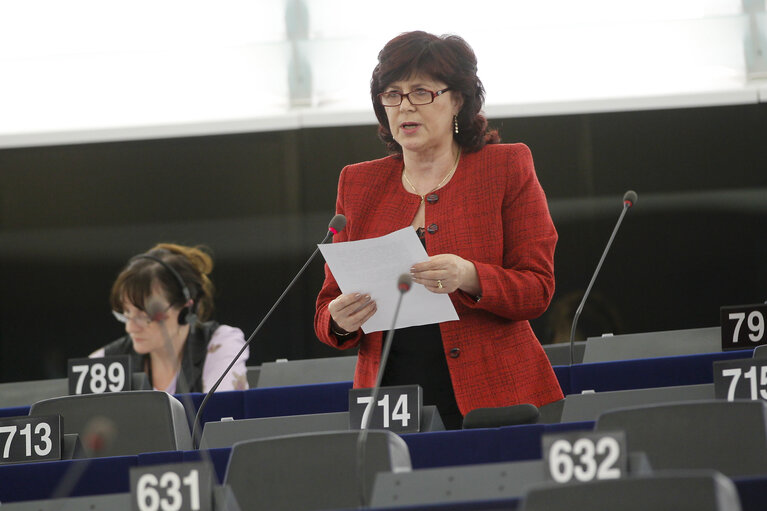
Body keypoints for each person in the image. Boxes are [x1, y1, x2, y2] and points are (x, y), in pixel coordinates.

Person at [314, 31, 563, 429]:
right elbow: (326, 309)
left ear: (457, 100)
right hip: (389, 403)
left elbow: (537, 289)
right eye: (392, 94)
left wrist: (470, 276)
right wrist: (339, 320)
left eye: (421, 92)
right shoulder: (358, 184)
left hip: (496, 397)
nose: (404, 106)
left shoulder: (505, 167)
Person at [91, 243, 248, 393]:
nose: (130, 328)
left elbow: (221, 413)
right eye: (126, 313)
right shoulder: (102, 362)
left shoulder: (220, 343)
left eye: (145, 317)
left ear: (185, 310)